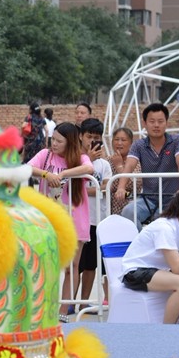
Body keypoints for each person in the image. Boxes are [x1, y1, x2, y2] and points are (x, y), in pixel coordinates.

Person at [27, 121, 94, 321]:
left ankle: (64, 311)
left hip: (75, 217)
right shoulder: (45, 155)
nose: (54, 143)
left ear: (70, 142)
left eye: (58, 140)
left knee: (73, 265)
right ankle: (45, 306)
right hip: (49, 218)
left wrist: (63, 173)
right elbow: (29, 168)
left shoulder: (80, 158)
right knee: (48, 263)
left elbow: (89, 168)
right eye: (53, 139)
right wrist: (47, 174)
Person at [120, 189, 179, 324]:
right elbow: (178, 268)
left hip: (157, 271)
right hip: (135, 272)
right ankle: (167, 329)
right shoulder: (164, 227)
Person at [114, 102, 179, 226]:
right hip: (148, 199)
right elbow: (130, 165)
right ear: (145, 123)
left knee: (164, 224)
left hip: (173, 198)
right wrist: (121, 187)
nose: (156, 125)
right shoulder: (139, 145)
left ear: (167, 122)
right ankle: (140, 243)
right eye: (152, 121)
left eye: (160, 121)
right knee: (128, 211)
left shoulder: (177, 141)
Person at [77, 118, 112, 311]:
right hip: (79, 219)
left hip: (97, 219)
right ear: (81, 136)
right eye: (89, 136)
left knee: (91, 265)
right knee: (76, 265)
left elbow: (105, 186)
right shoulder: (76, 160)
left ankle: (83, 302)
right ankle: (70, 301)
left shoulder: (104, 165)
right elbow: (75, 186)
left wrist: (89, 188)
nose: (92, 141)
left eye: (96, 138)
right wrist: (88, 160)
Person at [108, 126, 135, 215]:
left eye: (123, 140)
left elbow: (134, 184)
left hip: (130, 209)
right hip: (109, 210)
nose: (119, 143)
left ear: (131, 143)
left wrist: (119, 166)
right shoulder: (107, 161)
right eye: (116, 139)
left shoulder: (135, 161)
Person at [21, 102, 46, 166]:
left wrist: (22, 136)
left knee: (28, 158)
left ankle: (28, 173)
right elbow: (47, 130)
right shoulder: (42, 118)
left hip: (31, 140)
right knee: (39, 158)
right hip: (41, 141)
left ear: (31, 109)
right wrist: (45, 141)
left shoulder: (29, 117)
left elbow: (23, 126)